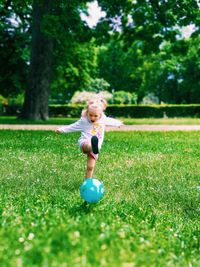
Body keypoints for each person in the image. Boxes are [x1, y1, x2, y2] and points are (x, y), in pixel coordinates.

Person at [56, 95, 123, 179]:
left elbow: (110, 121)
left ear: (100, 114)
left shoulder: (103, 119)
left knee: (90, 167)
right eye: (90, 115)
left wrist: (118, 123)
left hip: (96, 148)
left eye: (95, 116)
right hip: (84, 142)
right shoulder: (84, 121)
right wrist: (61, 130)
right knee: (88, 144)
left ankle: (88, 181)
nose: (92, 117)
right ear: (87, 112)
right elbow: (72, 127)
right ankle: (92, 145)